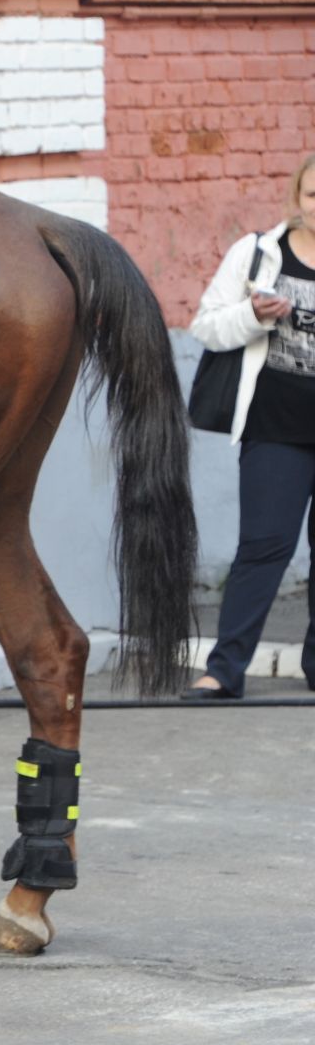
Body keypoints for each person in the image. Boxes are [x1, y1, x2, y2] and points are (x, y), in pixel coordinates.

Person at [184, 152, 315, 699]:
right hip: (275, 426)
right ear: (297, 198)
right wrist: (253, 316)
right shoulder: (260, 253)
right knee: (264, 546)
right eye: (313, 196)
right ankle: (225, 669)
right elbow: (205, 326)